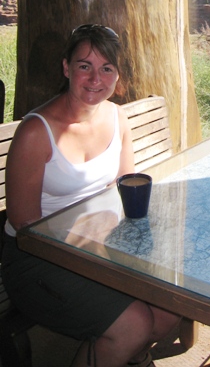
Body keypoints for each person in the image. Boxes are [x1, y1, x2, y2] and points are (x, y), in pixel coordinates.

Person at [1, 24, 180, 367]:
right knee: (134, 325)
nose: (95, 78)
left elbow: (126, 187)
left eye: (106, 68)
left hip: (98, 248)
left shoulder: (117, 117)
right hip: (36, 258)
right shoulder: (37, 132)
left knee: (170, 309)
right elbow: (23, 224)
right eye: (85, 65)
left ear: (117, 75)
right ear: (67, 68)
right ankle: (127, 347)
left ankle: (130, 355)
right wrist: (91, 236)